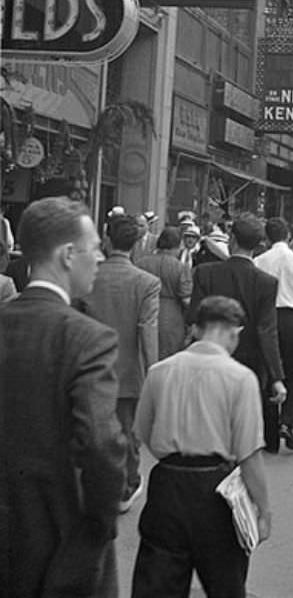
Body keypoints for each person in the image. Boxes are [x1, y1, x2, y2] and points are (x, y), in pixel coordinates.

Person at [0, 197, 126, 598]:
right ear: (69, 254)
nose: (101, 258)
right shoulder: (88, 338)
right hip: (62, 540)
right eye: (95, 249)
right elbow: (101, 444)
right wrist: (102, 524)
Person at [131, 296, 269, 598]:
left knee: (157, 584)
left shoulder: (159, 371)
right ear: (234, 332)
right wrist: (263, 508)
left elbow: (142, 430)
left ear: (196, 329)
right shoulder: (240, 378)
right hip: (216, 488)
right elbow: (249, 454)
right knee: (225, 582)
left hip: (167, 482)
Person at [187, 213, 286, 454]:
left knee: (209, 421)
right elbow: (267, 331)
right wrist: (276, 377)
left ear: (231, 239)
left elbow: (193, 321)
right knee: (243, 430)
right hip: (250, 364)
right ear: (259, 245)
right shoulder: (266, 282)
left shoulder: (205, 273)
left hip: (208, 359)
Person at [82, 213, 161, 512]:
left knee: (92, 427)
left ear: (106, 237)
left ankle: (94, 482)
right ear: (138, 241)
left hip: (91, 368)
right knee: (127, 430)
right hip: (129, 371)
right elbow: (147, 330)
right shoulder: (147, 283)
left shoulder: (88, 275)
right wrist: (153, 372)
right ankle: (126, 485)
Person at [255, 217, 293, 451]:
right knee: (292, 372)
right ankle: (288, 420)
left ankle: (270, 434)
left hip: (267, 318)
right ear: (288, 236)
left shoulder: (259, 261)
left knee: (269, 371)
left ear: (267, 238)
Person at [137, 227, 193, 358]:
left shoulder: (141, 263)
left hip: (144, 313)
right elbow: (186, 299)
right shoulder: (181, 267)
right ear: (178, 245)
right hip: (173, 319)